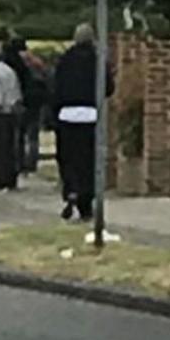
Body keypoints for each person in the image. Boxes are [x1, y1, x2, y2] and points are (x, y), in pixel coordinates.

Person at [52, 24, 114, 221]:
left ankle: (70, 189)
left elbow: (55, 87)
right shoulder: (98, 61)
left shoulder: (64, 60)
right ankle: (85, 199)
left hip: (66, 114)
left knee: (67, 157)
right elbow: (108, 87)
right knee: (87, 159)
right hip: (89, 114)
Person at [0, 47, 23, 191]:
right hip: (12, 111)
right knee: (9, 147)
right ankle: (10, 177)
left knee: (0, 148)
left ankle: (3, 178)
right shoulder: (9, 70)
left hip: (1, 113)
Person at [11, 38, 48, 172]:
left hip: (22, 99)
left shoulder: (13, 60)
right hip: (36, 101)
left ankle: (20, 162)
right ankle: (32, 162)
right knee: (33, 133)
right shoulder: (34, 61)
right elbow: (45, 73)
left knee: (19, 134)